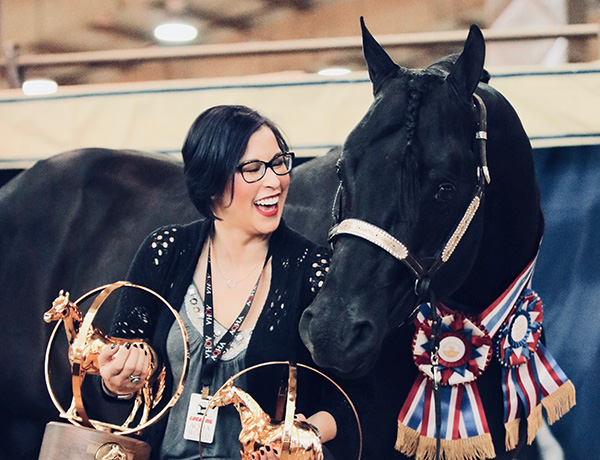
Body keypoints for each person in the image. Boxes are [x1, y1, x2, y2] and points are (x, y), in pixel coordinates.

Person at [96, 105, 355, 460]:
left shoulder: (313, 271)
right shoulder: (165, 252)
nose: (275, 180)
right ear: (212, 181)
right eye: (253, 169)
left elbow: (354, 395)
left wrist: (303, 434)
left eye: (280, 163)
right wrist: (116, 381)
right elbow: (123, 375)